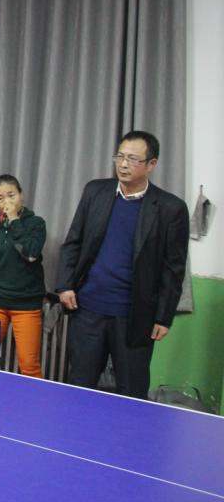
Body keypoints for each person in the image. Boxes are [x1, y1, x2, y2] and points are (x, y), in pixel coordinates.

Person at [55, 131, 188, 399]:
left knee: (132, 391)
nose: (124, 164)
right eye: (120, 156)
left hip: (135, 317)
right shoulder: (96, 191)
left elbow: (173, 268)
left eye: (133, 159)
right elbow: (74, 241)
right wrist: (65, 285)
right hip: (88, 309)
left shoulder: (170, 208)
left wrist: (163, 317)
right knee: (79, 384)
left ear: (151, 164)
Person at [0, 175, 47, 378]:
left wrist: (14, 220)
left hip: (27, 305)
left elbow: (30, 253)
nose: (7, 202)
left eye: (11, 195)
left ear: (21, 195)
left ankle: (33, 399)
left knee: (29, 366)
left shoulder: (36, 224)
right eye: (0, 198)